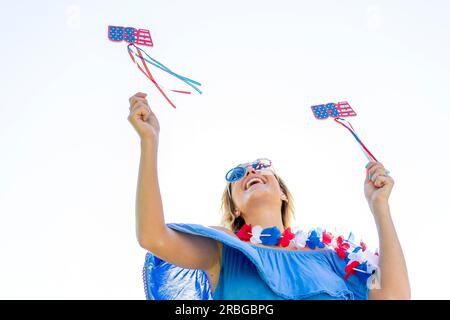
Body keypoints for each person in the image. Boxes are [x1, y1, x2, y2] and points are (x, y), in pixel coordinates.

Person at [128, 92, 411, 300]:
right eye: (236, 175)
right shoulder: (223, 250)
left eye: (261, 166)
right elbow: (153, 237)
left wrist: (380, 208)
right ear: (235, 208)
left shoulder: (332, 256)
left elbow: (394, 297)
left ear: (283, 194)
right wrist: (149, 142)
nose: (250, 170)